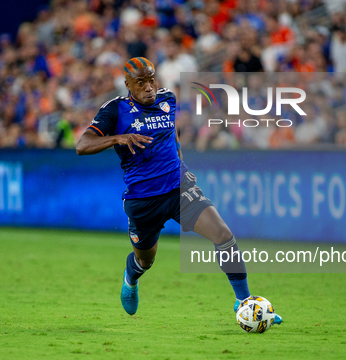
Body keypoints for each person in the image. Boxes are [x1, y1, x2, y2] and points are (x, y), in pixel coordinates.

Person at [76, 57, 282, 324]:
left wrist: (182, 165)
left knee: (223, 234)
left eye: (152, 79)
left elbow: (173, 136)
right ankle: (131, 278)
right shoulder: (115, 110)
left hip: (178, 188)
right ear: (128, 85)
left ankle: (244, 302)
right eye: (141, 83)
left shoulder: (168, 100)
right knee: (145, 261)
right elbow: (82, 145)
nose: (149, 87)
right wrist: (118, 137)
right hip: (142, 200)